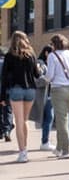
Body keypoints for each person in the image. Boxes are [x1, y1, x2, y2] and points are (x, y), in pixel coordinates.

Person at [1, 31, 42, 163]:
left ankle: (22, 152)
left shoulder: (9, 56)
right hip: (30, 90)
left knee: (18, 120)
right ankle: (25, 149)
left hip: (16, 89)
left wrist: (2, 96)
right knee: (24, 120)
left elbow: (4, 78)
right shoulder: (31, 55)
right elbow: (37, 75)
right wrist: (40, 68)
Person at [37, 45, 55, 151]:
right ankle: (45, 142)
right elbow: (39, 70)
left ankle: (45, 141)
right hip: (45, 95)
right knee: (49, 117)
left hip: (48, 94)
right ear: (46, 53)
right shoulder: (41, 62)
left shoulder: (49, 62)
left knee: (48, 118)